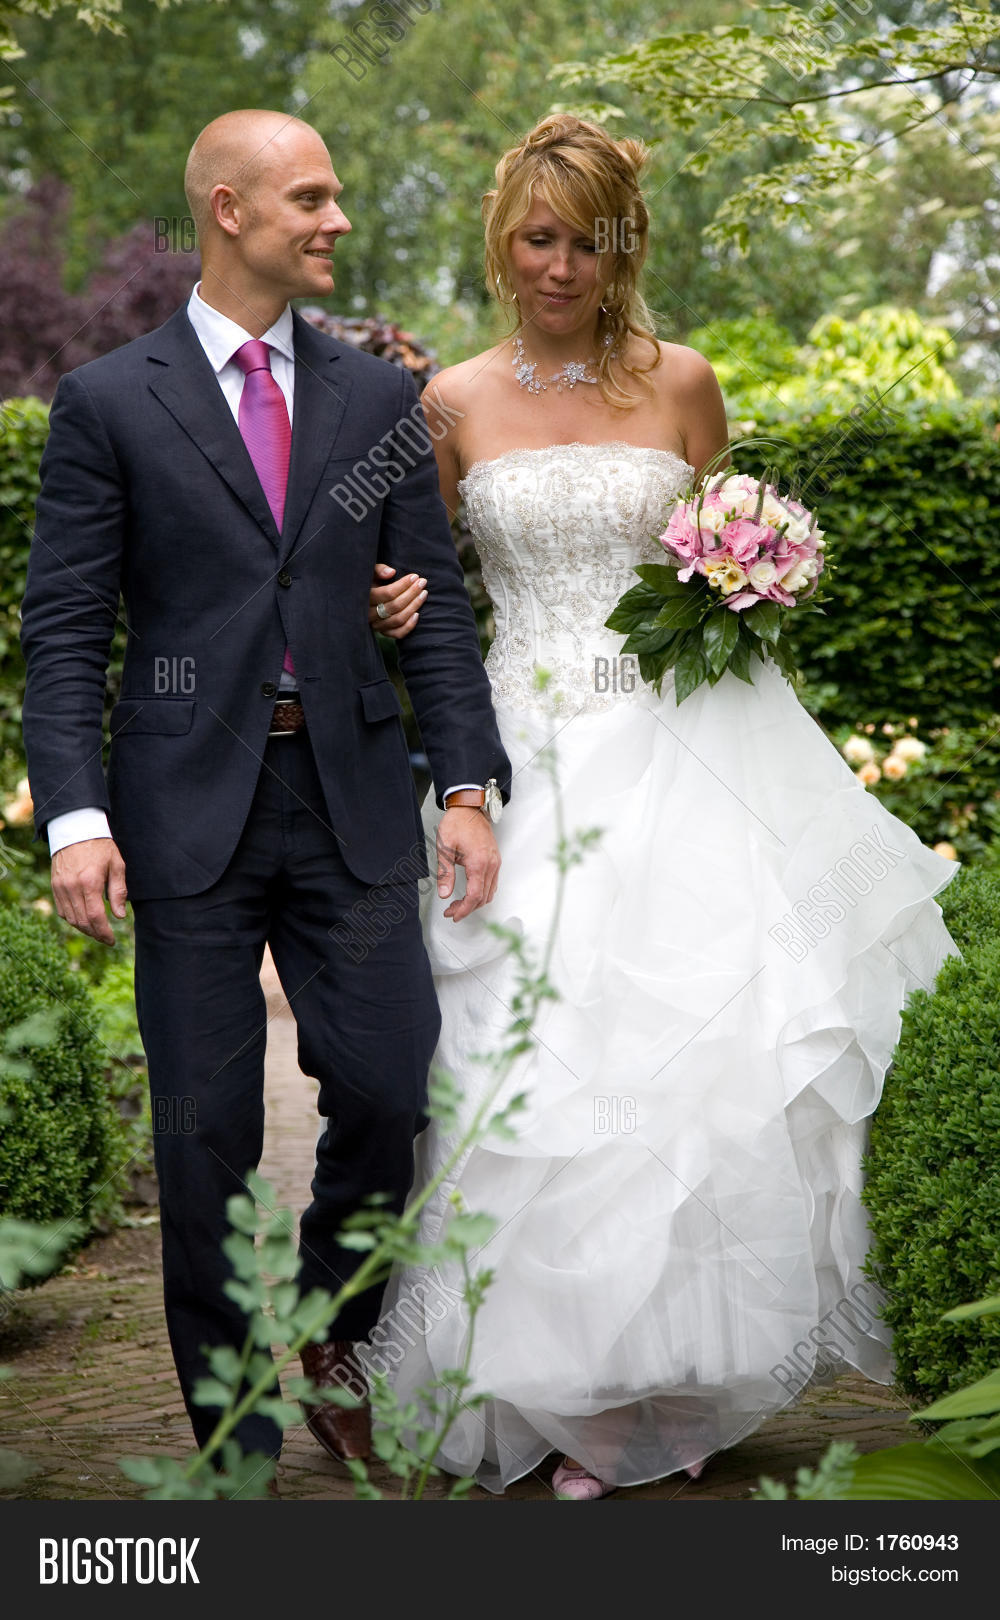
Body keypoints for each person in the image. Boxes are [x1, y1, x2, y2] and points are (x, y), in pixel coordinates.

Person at [369, 113, 959, 1499]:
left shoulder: (686, 387)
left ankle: (666, 1396)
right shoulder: (447, 402)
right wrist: (392, 607)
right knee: (529, 1063)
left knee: (698, 1068)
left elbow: (713, 569)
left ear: (624, 249)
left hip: (681, 749)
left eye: (589, 241)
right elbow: (425, 595)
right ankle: (550, 1389)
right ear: (503, 243)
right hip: (519, 761)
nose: (561, 266)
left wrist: (751, 576)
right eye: (538, 238)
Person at [19, 109, 512, 1480]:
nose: (336, 220)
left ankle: (339, 1339)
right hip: (181, 806)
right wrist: (75, 816)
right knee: (203, 1133)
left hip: (349, 793)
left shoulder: (374, 403)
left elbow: (443, 617)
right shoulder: (112, 402)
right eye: (311, 198)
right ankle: (228, 1429)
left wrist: (465, 781)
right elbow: (65, 632)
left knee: (386, 1078)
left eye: (339, 196)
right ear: (228, 211)